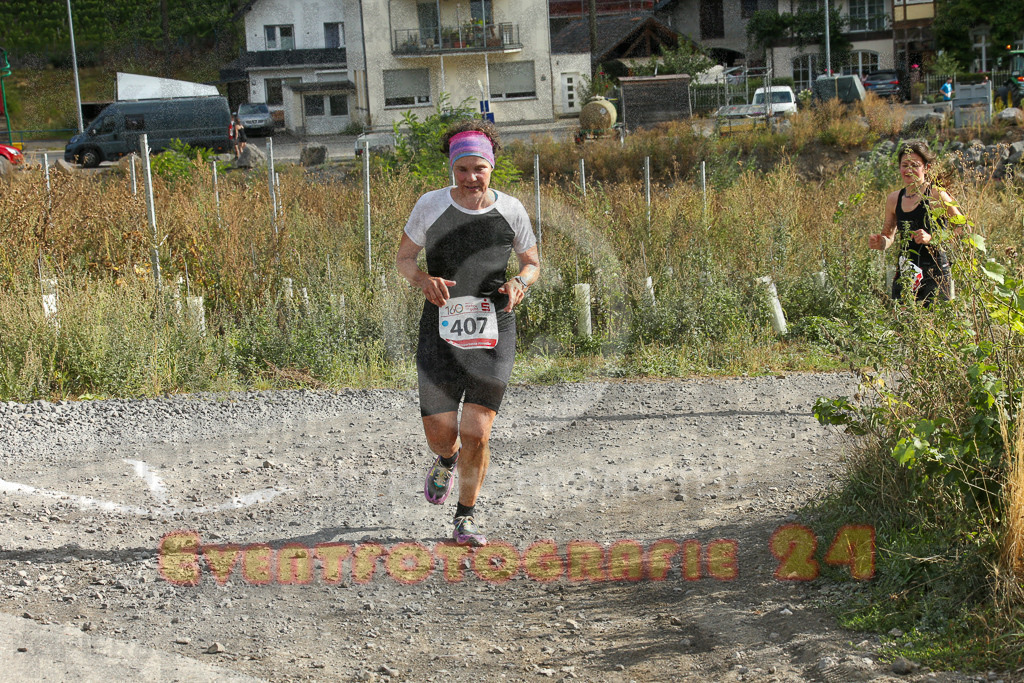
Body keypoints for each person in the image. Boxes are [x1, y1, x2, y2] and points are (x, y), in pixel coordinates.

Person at [396, 120, 540, 547]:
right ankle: (445, 459)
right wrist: (423, 280)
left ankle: (466, 517)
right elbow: (404, 258)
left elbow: (532, 261)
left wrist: (521, 282)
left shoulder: (511, 209)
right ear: (452, 169)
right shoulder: (430, 205)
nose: (471, 177)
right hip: (440, 327)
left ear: (492, 167)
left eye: (479, 168)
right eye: (463, 169)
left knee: (477, 430)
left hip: (494, 327)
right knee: (442, 432)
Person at [868, 139, 962, 305]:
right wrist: (880, 242)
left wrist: (932, 239)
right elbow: (888, 236)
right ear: (899, 168)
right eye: (905, 165)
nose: (909, 169)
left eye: (915, 165)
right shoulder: (893, 199)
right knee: (903, 325)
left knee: (935, 327)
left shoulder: (937, 195)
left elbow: (963, 228)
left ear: (926, 168)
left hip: (936, 272)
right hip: (906, 272)